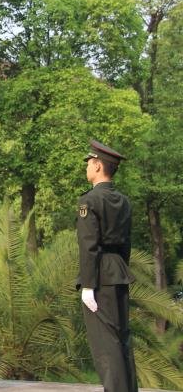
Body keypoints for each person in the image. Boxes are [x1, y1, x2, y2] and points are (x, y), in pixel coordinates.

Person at [76, 139, 137, 392]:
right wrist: (119, 270)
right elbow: (126, 244)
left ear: (99, 165)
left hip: (100, 275)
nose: (87, 167)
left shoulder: (88, 202)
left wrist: (88, 285)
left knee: (105, 345)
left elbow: (89, 245)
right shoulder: (123, 201)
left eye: (90, 162)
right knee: (121, 339)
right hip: (119, 271)